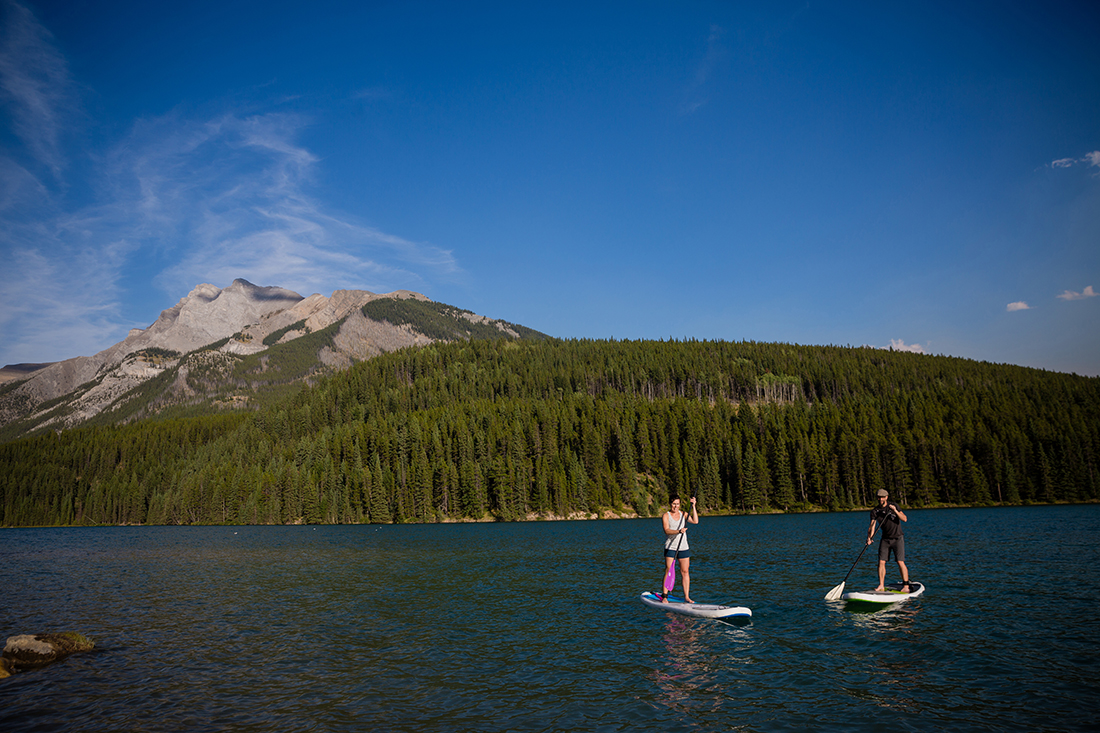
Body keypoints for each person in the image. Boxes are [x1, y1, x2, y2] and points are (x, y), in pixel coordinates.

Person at [867, 488, 910, 592]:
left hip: (897, 538)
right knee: (881, 562)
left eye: (882, 497)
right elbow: (872, 525)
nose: (880, 499)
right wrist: (869, 537)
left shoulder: (893, 506)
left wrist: (895, 510)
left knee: (900, 561)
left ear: (886, 497)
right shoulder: (875, 511)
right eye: (879, 497)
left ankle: (906, 586)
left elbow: (904, 519)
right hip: (885, 539)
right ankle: (881, 585)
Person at [661, 494, 698, 602]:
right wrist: (678, 531)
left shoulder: (684, 514)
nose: (676, 506)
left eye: (677, 504)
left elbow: (695, 521)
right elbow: (666, 530)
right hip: (671, 547)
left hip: (683, 547)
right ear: (670, 504)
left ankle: (686, 597)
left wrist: (694, 506)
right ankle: (665, 596)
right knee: (669, 570)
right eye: (673, 504)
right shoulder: (666, 516)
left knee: (685, 571)